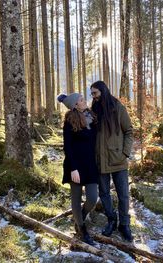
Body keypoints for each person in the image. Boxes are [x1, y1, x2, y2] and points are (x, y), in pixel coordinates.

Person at [90, 80, 134, 242]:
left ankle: (124, 224)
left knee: (123, 195)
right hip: (100, 160)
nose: (93, 97)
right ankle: (111, 220)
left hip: (118, 160)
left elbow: (129, 131)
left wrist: (125, 153)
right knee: (104, 193)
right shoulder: (94, 109)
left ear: (103, 91)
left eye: (95, 93)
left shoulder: (117, 107)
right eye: (91, 94)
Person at [58, 93, 99, 245]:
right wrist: (73, 168)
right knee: (75, 199)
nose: (84, 101)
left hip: (90, 165)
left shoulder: (92, 117)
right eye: (81, 100)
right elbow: (68, 147)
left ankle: (79, 217)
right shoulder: (69, 121)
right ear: (75, 105)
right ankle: (82, 229)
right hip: (74, 165)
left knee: (92, 198)